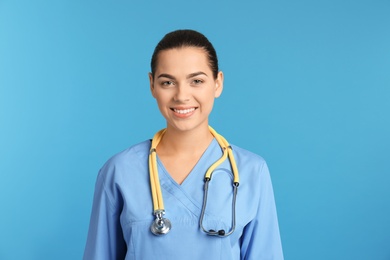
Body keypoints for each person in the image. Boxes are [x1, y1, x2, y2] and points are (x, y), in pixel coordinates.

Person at [83, 29, 283, 260]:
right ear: (152, 85)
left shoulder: (251, 171)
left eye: (196, 81)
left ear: (217, 83)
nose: (182, 95)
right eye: (168, 82)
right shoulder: (120, 171)